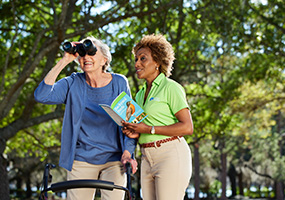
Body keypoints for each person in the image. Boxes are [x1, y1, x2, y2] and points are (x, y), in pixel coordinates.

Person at [34, 36, 137, 200]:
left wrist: (127, 152)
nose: (86, 57)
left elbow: (131, 122)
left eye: (91, 52)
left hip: (115, 159)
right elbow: (42, 95)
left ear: (104, 60)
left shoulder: (119, 82)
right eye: (82, 54)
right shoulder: (73, 82)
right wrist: (65, 60)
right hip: (81, 159)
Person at [122, 34, 193, 200]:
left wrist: (148, 129)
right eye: (136, 59)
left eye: (143, 58)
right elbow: (141, 128)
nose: (137, 63)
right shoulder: (139, 96)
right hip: (147, 158)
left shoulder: (171, 88)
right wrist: (134, 132)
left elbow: (187, 127)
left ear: (158, 62)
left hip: (170, 155)